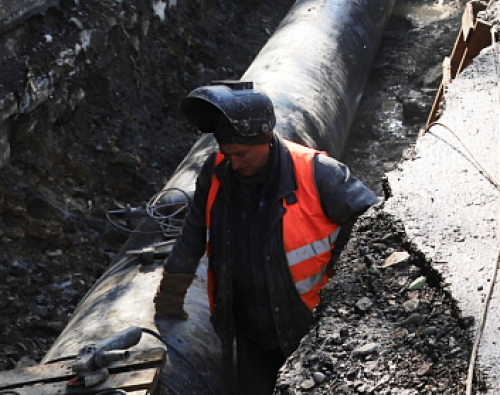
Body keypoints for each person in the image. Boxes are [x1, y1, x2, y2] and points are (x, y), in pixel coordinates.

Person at [153, 81, 377, 395]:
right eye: (227, 153)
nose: (234, 162)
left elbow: (373, 218)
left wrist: (341, 272)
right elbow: (192, 232)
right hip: (247, 330)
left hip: (307, 323)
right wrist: (170, 294)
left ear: (266, 139)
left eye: (241, 153)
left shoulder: (317, 173)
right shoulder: (217, 171)